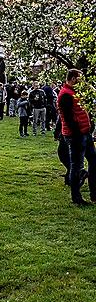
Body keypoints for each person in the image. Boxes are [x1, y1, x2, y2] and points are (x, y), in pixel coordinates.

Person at [57, 69, 96, 206]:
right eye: (80, 79)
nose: (82, 82)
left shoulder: (74, 92)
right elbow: (67, 119)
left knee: (93, 161)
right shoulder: (65, 95)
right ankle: (76, 197)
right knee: (76, 166)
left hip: (85, 133)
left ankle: (94, 193)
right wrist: (78, 133)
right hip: (76, 136)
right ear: (73, 79)